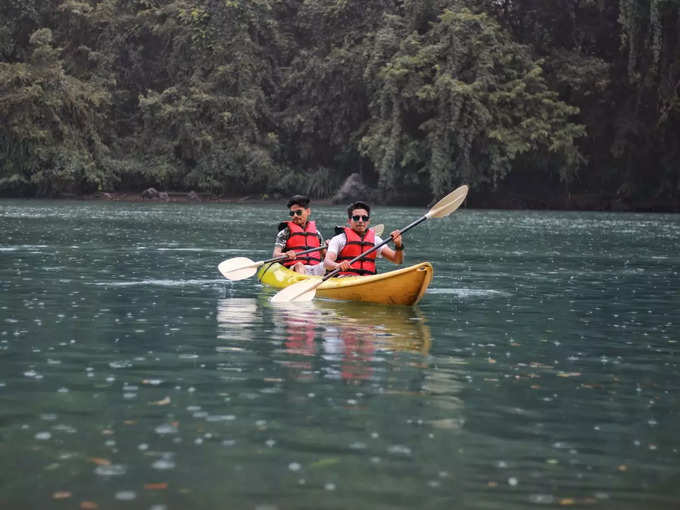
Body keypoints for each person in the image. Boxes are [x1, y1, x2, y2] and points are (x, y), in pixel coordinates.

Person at [324, 201, 403, 275]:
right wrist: (337, 265)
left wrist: (398, 245)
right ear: (349, 221)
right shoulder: (339, 239)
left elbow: (397, 260)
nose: (361, 221)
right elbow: (327, 262)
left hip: (368, 280)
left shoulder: (376, 240)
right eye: (356, 218)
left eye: (364, 218)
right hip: (344, 280)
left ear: (368, 221)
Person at [273, 195, 326, 275]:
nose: (295, 216)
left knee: (327, 265)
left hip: (315, 268)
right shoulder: (285, 233)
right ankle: (303, 283)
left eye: (298, 212)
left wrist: (331, 246)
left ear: (308, 211)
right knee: (299, 265)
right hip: (294, 270)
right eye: (292, 213)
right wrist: (285, 254)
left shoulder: (317, 234)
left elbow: (325, 255)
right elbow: (275, 255)